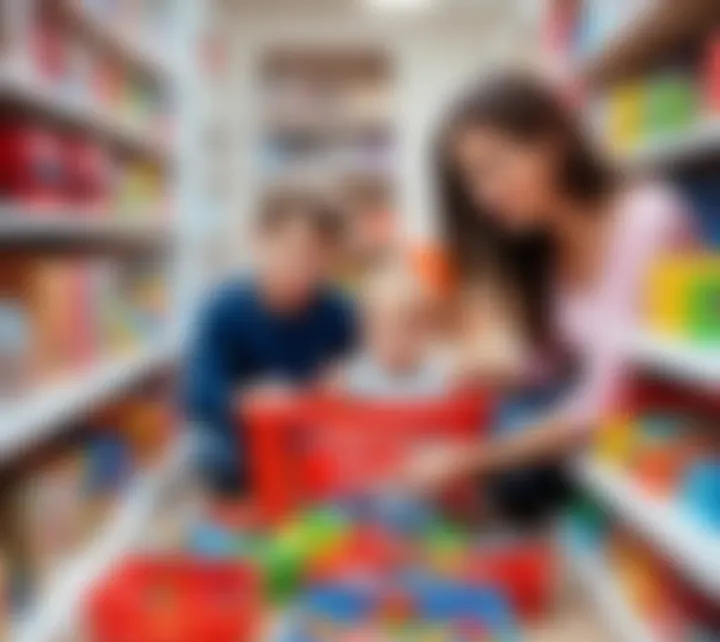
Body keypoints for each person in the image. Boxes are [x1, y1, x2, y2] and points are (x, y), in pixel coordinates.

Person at [404, 70, 692, 527]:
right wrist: (491, 372)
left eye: (494, 167)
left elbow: (608, 398)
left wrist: (475, 459)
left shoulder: (647, 218)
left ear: (553, 140)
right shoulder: (545, 249)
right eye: (471, 182)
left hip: (674, 438)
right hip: (613, 423)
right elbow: (551, 364)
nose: (483, 196)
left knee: (512, 446)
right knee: (507, 415)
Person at [185, 187, 357, 497]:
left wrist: (347, 381)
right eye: (293, 250)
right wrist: (245, 400)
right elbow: (199, 393)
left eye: (321, 256)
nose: (305, 267)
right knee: (213, 451)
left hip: (310, 433)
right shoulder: (225, 306)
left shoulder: (339, 311)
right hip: (241, 437)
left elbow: (361, 374)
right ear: (260, 241)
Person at [333, 261, 451, 399]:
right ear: (366, 333)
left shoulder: (440, 378)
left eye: (403, 329)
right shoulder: (353, 378)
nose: (393, 342)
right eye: (381, 331)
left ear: (422, 333)